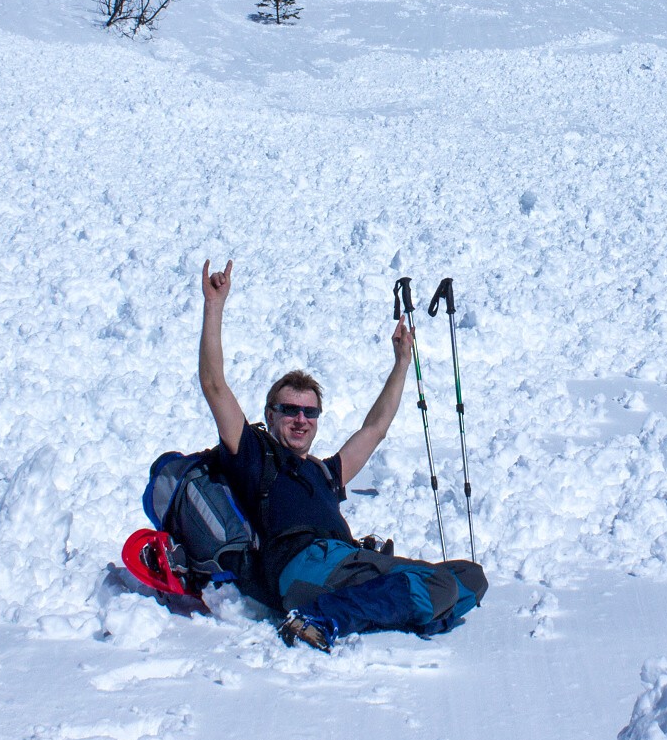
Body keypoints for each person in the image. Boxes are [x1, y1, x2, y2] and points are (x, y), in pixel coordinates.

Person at [197, 258, 487, 651]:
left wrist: (402, 364)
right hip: (302, 566)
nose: (301, 420)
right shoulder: (254, 456)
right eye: (290, 410)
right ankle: (320, 617)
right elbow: (215, 386)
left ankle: (395, 610)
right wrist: (214, 306)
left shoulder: (323, 472)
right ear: (270, 415)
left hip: (347, 562)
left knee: (470, 577)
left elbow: (375, 429)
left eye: (310, 412)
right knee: (435, 588)